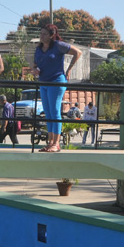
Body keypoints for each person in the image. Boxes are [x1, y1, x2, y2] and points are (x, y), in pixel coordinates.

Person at [33, 24, 81, 153]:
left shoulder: (59, 45)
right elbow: (35, 64)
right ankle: (50, 142)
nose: (41, 36)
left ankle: (56, 143)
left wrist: (69, 69)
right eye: (41, 34)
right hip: (43, 82)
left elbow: (78, 52)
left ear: (51, 35)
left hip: (56, 81)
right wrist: (35, 70)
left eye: (44, 34)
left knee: (54, 112)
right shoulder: (38, 49)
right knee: (48, 113)